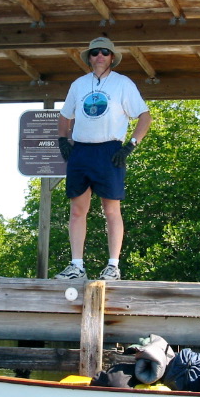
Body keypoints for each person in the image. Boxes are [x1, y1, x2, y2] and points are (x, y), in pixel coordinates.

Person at [55, 36, 151, 281]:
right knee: (77, 210)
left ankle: (113, 266)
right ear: (89, 57)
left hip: (109, 149)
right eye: (95, 52)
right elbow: (65, 115)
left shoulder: (123, 84)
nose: (100, 56)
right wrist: (62, 140)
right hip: (81, 150)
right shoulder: (78, 84)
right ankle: (76, 266)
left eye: (105, 53)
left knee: (111, 210)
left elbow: (144, 116)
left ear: (112, 58)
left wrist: (130, 145)